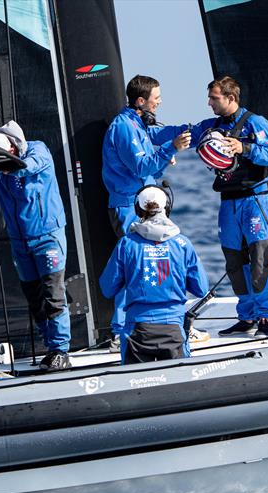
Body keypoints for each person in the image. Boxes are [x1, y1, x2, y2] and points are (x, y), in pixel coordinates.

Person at [0, 110, 71, 371]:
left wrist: (6, 166)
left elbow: (28, 167)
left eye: (2, 158)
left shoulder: (37, 150)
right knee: (33, 297)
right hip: (19, 241)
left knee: (53, 294)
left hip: (47, 237)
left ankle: (60, 350)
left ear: (13, 147)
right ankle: (50, 344)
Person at [102, 75, 193, 352]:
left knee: (153, 262)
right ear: (141, 101)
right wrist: (170, 149)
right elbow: (142, 168)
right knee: (133, 264)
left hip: (144, 204)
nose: (161, 101)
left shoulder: (138, 124)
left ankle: (165, 321)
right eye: (157, 97)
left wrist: (187, 133)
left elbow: (154, 146)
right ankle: (120, 331)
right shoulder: (124, 127)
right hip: (128, 206)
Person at [187, 76, 268, 337]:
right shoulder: (212, 126)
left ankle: (264, 317)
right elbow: (183, 132)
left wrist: (245, 147)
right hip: (228, 202)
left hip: (255, 200)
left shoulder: (255, 122)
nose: (209, 103)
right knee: (233, 260)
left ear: (230, 98)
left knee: (259, 259)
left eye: (214, 98)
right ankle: (247, 316)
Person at [99, 185, 209, 364]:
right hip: (173, 331)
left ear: (138, 210)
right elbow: (201, 289)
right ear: (167, 208)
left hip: (137, 333)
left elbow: (107, 289)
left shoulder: (126, 244)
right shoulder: (183, 244)